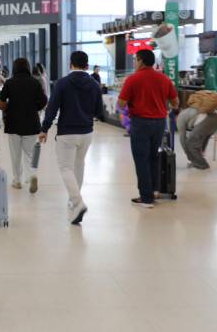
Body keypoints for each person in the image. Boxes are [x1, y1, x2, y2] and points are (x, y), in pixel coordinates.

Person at [39, 51, 104, 225]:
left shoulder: (62, 83)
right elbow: (99, 111)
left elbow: (52, 108)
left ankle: (77, 202)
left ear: (70, 64)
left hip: (67, 132)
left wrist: (44, 128)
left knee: (66, 168)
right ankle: (73, 199)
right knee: (79, 164)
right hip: (87, 132)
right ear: (87, 66)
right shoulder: (94, 84)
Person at [118, 49, 179, 208]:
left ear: (141, 61)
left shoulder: (133, 79)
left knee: (141, 160)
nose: (134, 63)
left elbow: (122, 103)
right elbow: (175, 102)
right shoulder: (164, 79)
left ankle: (146, 198)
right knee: (153, 157)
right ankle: (153, 191)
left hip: (140, 123)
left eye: (135, 60)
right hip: (159, 123)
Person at [0, 58, 47, 194]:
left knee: (15, 154)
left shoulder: (10, 83)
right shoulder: (35, 82)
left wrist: (9, 108)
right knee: (31, 154)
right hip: (31, 122)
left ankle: (17, 180)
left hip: (13, 123)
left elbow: (1, 101)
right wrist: (34, 108)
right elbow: (44, 100)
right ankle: (32, 175)